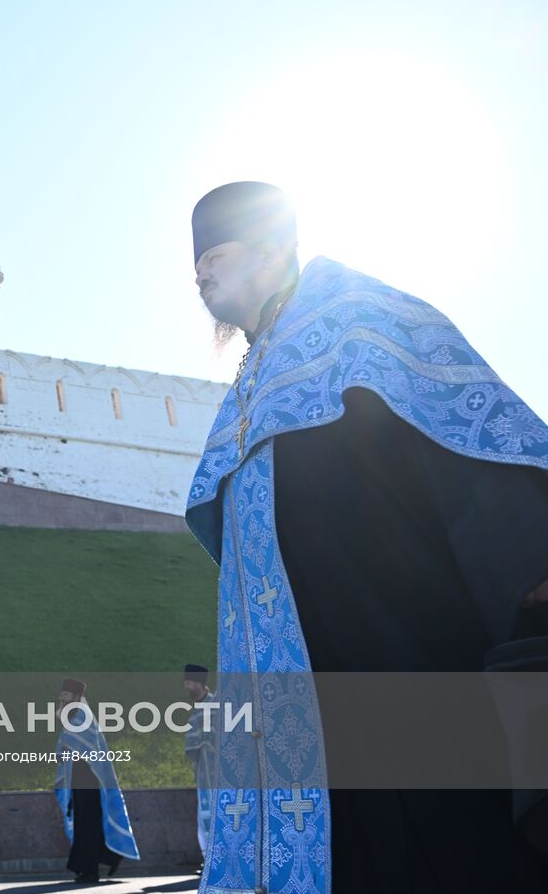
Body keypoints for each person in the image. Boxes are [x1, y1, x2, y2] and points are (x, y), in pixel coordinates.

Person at [186, 181, 548, 894]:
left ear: (271, 245)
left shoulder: (359, 315)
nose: (200, 276)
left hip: (403, 659)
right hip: (297, 700)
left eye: (214, 256)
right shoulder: (247, 379)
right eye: (195, 268)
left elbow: (471, 434)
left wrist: (531, 565)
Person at [53, 678, 139, 884]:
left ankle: (90, 870)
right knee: (86, 824)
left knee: (88, 825)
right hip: (79, 780)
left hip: (90, 780)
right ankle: (108, 858)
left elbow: (78, 745)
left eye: (65, 695)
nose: (61, 698)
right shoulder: (74, 715)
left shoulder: (82, 715)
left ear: (75, 696)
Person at [181, 663, 217, 873]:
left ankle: (217, 858)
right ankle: (209, 858)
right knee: (204, 816)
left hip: (220, 775)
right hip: (203, 775)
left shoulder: (215, 706)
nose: (186, 686)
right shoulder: (196, 712)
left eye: (189, 682)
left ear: (199, 683)